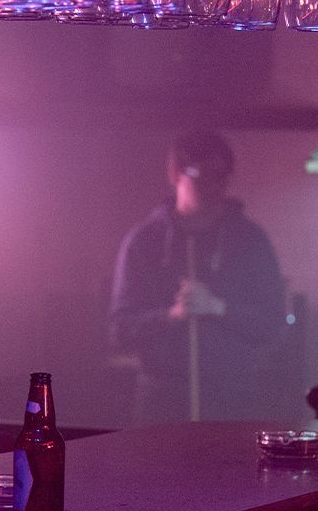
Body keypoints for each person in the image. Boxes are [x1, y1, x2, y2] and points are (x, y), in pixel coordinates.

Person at [109, 132, 286, 423]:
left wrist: (218, 308)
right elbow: (121, 329)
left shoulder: (250, 240)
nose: (212, 185)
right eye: (199, 174)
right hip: (161, 404)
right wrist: (172, 315)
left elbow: (272, 325)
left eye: (220, 176)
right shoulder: (144, 242)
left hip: (233, 403)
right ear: (175, 175)